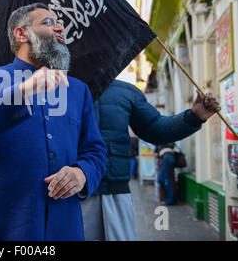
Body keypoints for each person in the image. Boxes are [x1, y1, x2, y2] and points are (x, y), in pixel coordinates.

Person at [0, 3, 107, 241]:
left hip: (65, 229)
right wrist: (23, 91)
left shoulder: (78, 90)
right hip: (4, 229)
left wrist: (82, 173)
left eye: (59, 23)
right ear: (21, 34)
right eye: (48, 22)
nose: (60, 28)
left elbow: (96, 150)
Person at [81, 79, 220, 241]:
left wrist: (194, 117)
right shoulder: (50, 89)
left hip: (115, 193)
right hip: (65, 194)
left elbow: (154, 128)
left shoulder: (125, 91)